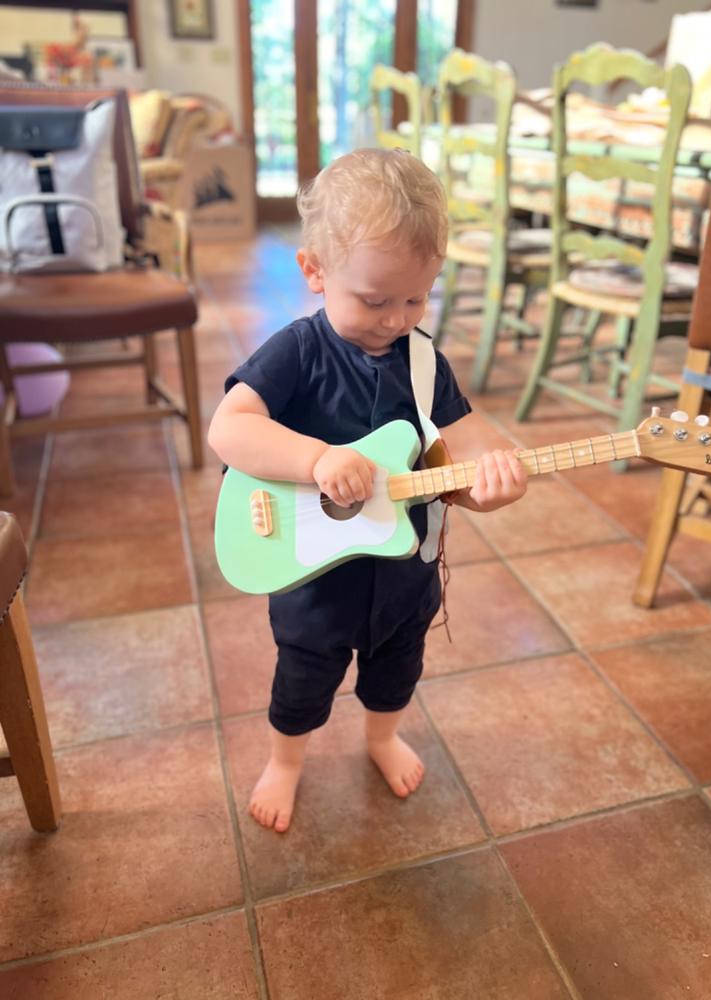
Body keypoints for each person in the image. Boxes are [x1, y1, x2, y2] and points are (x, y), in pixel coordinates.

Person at [208, 148, 527, 833]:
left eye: (417, 298)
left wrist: (485, 487)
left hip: (402, 574)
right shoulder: (297, 351)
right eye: (375, 300)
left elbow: (455, 452)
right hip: (316, 577)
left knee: (397, 671)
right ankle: (286, 761)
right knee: (303, 680)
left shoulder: (423, 359)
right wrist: (318, 459)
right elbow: (228, 432)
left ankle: (381, 738)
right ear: (315, 272)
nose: (396, 319)